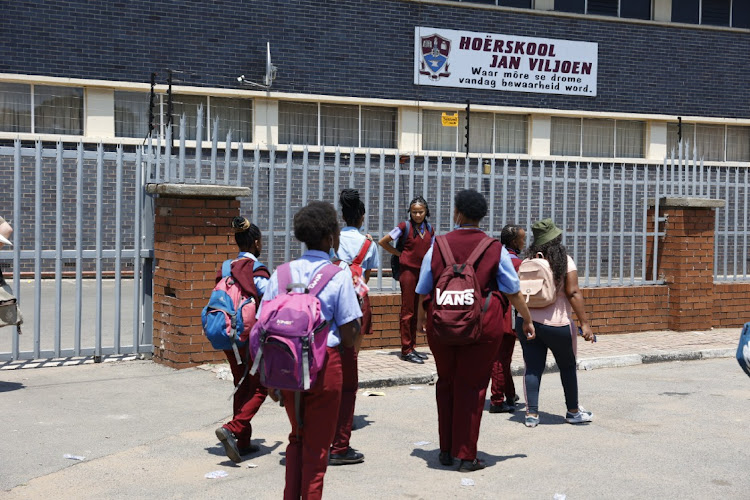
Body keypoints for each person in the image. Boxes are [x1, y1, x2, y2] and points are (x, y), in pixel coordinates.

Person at [415, 189, 535, 472]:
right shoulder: (494, 248)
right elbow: (512, 290)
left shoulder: (438, 244)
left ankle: (445, 450)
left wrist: (422, 317)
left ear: (457, 213)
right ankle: (466, 455)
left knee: (446, 382)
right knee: (473, 386)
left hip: (442, 323)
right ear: (482, 217)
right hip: (482, 327)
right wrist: (527, 319)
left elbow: (423, 287)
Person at [258, 201, 362, 500]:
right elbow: (349, 331)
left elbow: (262, 326)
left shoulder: (280, 274)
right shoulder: (337, 275)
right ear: (330, 236)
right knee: (318, 449)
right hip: (325, 366)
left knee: (297, 438)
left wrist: (270, 380)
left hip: (286, 365)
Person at [515, 218, 595, 429]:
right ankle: (573, 412)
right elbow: (573, 292)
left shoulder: (528, 262)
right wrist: (585, 323)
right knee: (567, 367)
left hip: (527, 322)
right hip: (556, 324)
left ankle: (531, 414)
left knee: (532, 368)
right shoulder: (564, 261)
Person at [328, 189, 379, 466]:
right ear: (361, 217)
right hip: (357, 301)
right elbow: (367, 276)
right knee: (352, 361)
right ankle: (343, 428)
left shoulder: (332, 241)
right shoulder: (368, 243)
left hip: (334, 300)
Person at [214, 217, 271, 463]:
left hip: (227, 334)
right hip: (251, 336)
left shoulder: (226, 267)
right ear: (257, 242)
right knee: (260, 386)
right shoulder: (257, 271)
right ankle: (232, 429)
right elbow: (270, 303)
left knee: (240, 383)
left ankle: (244, 442)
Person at [378, 196, 434, 364]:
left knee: (417, 311)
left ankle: (412, 347)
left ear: (426, 212)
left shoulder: (429, 228)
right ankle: (406, 349)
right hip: (408, 273)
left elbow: (432, 247)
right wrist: (400, 254)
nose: (417, 215)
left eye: (420, 212)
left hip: (423, 273)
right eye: (414, 212)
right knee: (407, 311)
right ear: (410, 212)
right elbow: (383, 241)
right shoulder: (404, 226)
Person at [489, 224, 526, 414]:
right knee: (500, 360)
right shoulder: (517, 264)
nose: (524, 242)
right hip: (506, 315)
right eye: (522, 239)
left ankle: (509, 394)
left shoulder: (494, 256)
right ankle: (497, 400)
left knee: (503, 358)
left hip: (491, 313)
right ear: (514, 241)